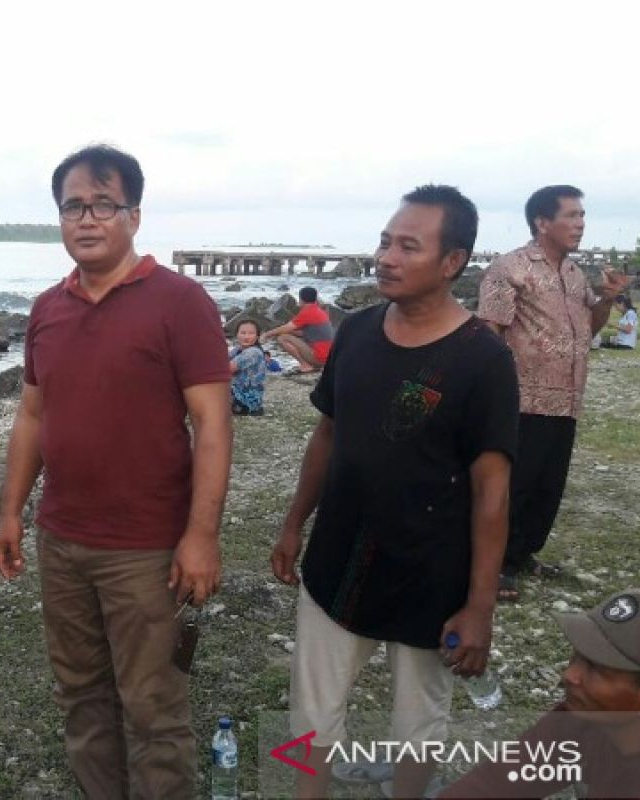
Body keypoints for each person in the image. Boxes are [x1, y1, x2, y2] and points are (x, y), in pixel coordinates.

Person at [0, 144, 232, 798]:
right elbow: (34, 416)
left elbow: (212, 424)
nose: (88, 219)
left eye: (104, 204)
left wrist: (201, 536)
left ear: (134, 215)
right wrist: (11, 510)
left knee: (154, 706)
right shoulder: (48, 308)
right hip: (62, 538)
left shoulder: (179, 302)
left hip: (147, 547)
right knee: (81, 693)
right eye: (74, 206)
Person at [270, 185, 519, 799]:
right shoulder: (355, 333)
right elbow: (328, 434)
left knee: (418, 723)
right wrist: (294, 523)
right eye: (385, 241)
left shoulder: (482, 360)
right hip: (339, 556)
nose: (387, 257)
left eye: (409, 246)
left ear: (452, 262)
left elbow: (493, 492)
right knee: (311, 708)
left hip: (430, 571)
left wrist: (480, 606)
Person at [477, 186, 631, 602]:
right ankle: (497, 565)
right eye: (572, 216)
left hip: (566, 397)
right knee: (516, 484)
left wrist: (608, 299)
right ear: (542, 222)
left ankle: (524, 553)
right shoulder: (510, 268)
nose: (580, 224)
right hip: (522, 398)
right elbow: (489, 335)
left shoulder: (575, 274)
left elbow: (590, 330)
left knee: (548, 484)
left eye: (582, 215)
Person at [439, 588, 640, 798]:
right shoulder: (580, 720)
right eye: (577, 657)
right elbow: (493, 783)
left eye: (596, 669)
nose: (570, 675)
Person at [260, 286, 334, 374]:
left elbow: (287, 327)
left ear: (301, 299)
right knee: (284, 334)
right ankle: (309, 364)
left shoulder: (308, 312)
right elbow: (303, 333)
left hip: (319, 357)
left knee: (282, 338)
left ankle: (305, 365)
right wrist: (278, 332)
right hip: (327, 358)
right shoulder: (319, 311)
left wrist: (267, 334)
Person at [229, 319, 267, 415]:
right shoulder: (238, 349)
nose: (246, 337)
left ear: (257, 336)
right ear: (237, 335)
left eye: (251, 333)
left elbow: (226, 369)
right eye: (243, 333)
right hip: (237, 394)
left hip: (245, 402)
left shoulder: (253, 352)